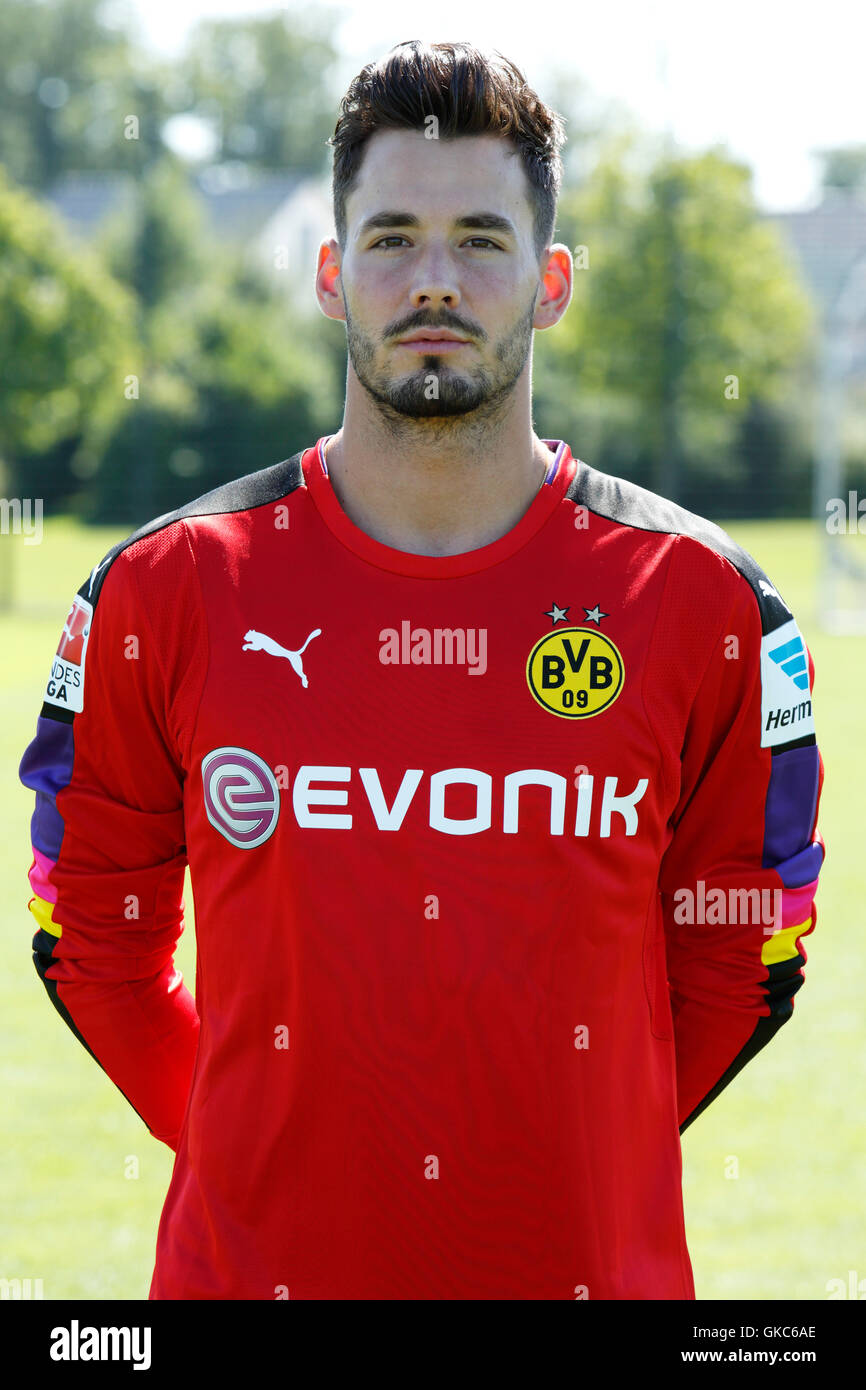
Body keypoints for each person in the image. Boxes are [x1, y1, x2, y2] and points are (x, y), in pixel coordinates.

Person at [19, 40, 825, 1300]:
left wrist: (566, 1159)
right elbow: (95, 942)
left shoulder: (703, 601)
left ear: (549, 282)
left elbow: (744, 953)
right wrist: (276, 1162)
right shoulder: (164, 588)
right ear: (332, 275)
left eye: (481, 241)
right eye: (391, 238)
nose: (432, 280)